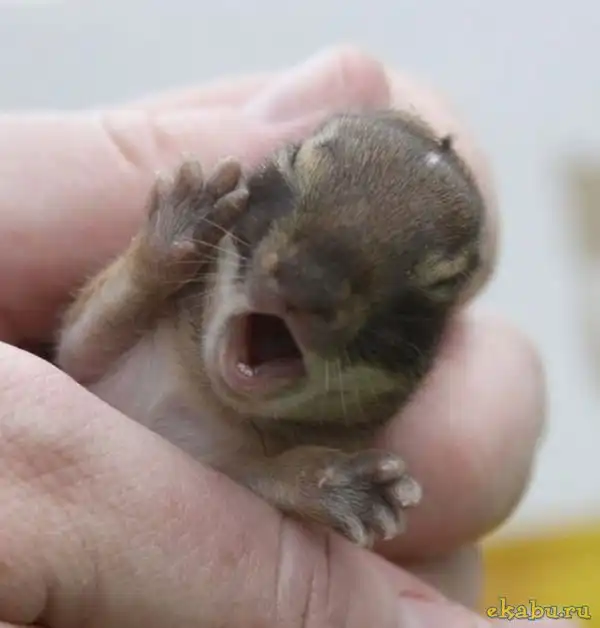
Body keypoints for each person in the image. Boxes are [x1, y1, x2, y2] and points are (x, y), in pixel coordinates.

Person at [0, 46, 572, 627]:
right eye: (301, 173)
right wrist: (148, 266)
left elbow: (254, 480)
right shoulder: (170, 311)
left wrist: (314, 483)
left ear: (424, 363)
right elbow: (78, 353)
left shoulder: (301, 440)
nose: (299, 290)